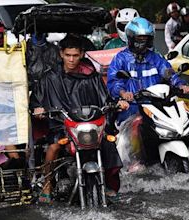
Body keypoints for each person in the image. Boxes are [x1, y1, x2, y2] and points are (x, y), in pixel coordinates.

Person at [30, 35, 129, 204]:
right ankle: (47, 186)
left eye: (75, 55)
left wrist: (117, 104)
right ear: (61, 54)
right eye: (68, 55)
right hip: (62, 125)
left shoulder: (91, 76)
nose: (71, 59)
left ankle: (108, 184)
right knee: (53, 147)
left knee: (108, 142)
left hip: (88, 124)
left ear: (82, 54)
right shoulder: (50, 78)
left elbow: (105, 99)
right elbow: (36, 101)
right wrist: (39, 108)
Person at [107, 17, 189, 166]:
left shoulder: (156, 58)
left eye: (145, 39)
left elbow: (168, 73)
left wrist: (180, 84)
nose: (142, 42)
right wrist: (122, 93)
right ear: (131, 39)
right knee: (137, 125)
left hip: (156, 106)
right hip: (132, 107)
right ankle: (134, 163)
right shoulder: (120, 59)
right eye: (139, 38)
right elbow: (114, 82)